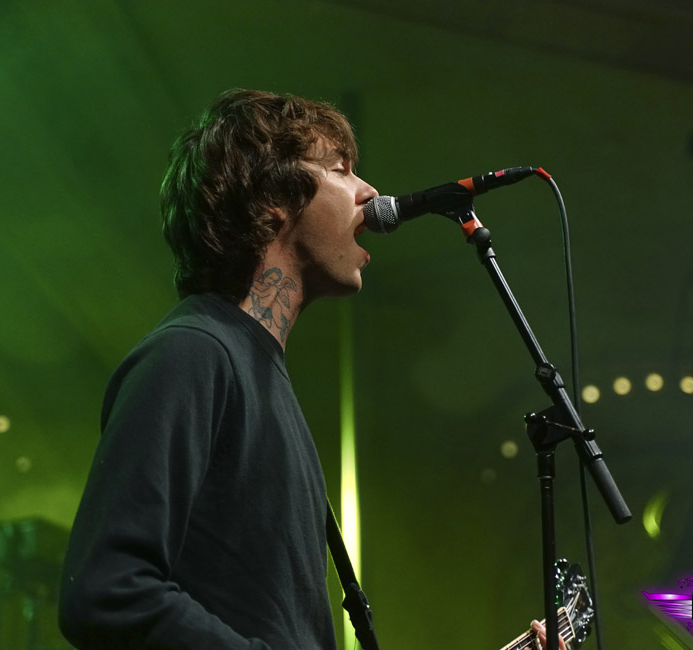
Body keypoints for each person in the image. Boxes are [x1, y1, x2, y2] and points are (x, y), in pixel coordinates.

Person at [57, 88, 563, 650]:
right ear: (273, 198)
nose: (370, 192)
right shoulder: (192, 354)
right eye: (342, 170)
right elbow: (108, 591)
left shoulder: (261, 376)